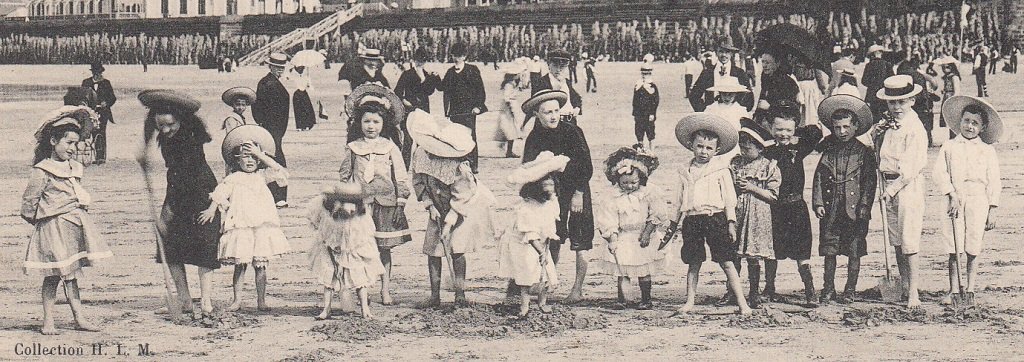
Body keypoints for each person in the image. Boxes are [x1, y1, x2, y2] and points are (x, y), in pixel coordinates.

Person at [23, 106, 112, 335]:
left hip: (73, 228)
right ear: (53, 140)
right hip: (53, 229)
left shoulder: (74, 168)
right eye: (68, 143)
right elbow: (29, 204)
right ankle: (49, 321)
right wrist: (44, 223)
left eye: (76, 143)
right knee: (53, 277)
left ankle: (79, 318)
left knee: (71, 276)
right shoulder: (42, 170)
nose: (73, 148)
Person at [137, 89, 221, 315]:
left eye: (170, 125)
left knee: (204, 246)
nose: (165, 130)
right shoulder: (163, 129)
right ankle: (184, 299)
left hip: (200, 192)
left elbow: (184, 179)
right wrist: (145, 152)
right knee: (170, 248)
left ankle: (205, 301)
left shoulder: (191, 137)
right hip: (176, 187)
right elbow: (149, 128)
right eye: (160, 126)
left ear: (181, 120)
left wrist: (167, 211)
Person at [662, 112, 751, 315]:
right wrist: (673, 223)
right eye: (699, 146)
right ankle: (689, 302)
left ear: (717, 150)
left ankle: (742, 303)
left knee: (726, 261)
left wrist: (731, 222)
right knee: (694, 262)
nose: (703, 151)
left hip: (715, 218)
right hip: (692, 220)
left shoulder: (721, 170)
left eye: (709, 148)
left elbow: (730, 199)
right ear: (691, 145)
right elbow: (677, 201)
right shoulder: (684, 171)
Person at [408, 110, 496, 307]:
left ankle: (460, 294)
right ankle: (434, 296)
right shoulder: (421, 155)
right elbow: (418, 183)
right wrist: (429, 205)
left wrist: (450, 221)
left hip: (459, 212)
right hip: (436, 210)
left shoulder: (458, 167)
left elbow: (463, 195)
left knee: (456, 250)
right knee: (433, 251)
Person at [197, 126, 289, 312]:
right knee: (240, 265)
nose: (250, 160)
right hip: (241, 227)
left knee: (261, 266)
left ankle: (261, 301)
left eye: (253, 157)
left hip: (261, 227)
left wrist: (260, 154)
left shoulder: (262, 176)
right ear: (237, 159)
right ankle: (237, 300)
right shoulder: (234, 178)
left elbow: (281, 173)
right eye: (245, 156)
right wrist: (211, 209)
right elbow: (219, 193)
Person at [521, 89, 594, 303]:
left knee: (581, 240)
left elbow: (586, 166)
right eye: (547, 112)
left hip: (577, 189)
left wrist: (579, 193)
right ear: (537, 114)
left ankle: (577, 289)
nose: (553, 116)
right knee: (552, 237)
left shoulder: (573, 131)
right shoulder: (534, 137)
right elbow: (529, 169)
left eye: (555, 111)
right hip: (551, 195)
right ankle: (548, 283)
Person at [340, 95, 412, 306]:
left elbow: (400, 177)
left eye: (376, 122)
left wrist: (400, 203)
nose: (371, 126)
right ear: (359, 123)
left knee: (383, 248)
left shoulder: (390, 148)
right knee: (359, 248)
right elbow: (344, 176)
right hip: (361, 206)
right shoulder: (353, 148)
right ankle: (364, 290)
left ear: (383, 123)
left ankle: (385, 289)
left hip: (385, 204)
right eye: (366, 121)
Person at [934, 95, 1002, 305]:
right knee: (954, 247)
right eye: (966, 121)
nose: (969, 126)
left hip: (978, 200)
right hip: (954, 199)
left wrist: (992, 208)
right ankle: (954, 290)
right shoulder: (949, 147)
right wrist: (951, 193)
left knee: (973, 246)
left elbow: (994, 181)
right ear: (959, 122)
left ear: (982, 128)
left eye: (975, 123)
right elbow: (939, 173)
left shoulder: (987, 150)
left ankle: (970, 289)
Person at [871, 75, 929, 308]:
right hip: (887, 183)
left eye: (901, 102)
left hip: (907, 187)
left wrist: (892, 190)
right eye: (892, 102)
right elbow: (875, 148)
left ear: (912, 101)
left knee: (909, 240)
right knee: (895, 239)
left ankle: (913, 292)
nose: (896, 107)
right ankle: (903, 285)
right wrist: (876, 134)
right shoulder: (888, 125)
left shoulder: (915, 128)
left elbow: (912, 167)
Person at [813, 95, 877, 304]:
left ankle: (850, 290)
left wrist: (865, 206)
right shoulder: (828, 149)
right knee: (830, 249)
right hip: (832, 207)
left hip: (855, 208)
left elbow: (869, 182)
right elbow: (819, 176)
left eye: (847, 127)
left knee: (854, 250)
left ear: (856, 126)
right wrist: (819, 202)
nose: (842, 132)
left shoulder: (863, 152)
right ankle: (828, 288)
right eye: (837, 127)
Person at [763, 105, 822, 307]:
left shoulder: (799, 148)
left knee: (802, 250)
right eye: (778, 129)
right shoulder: (766, 150)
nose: (783, 134)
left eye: (788, 130)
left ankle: (809, 291)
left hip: (797, 206)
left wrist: (798, 132)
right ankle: (769, 287)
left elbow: (816, 133)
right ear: (771, 128)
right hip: (774, 206)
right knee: (772, 249)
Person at [594, 146, 666, 310]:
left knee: (643, 268)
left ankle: (646, 299)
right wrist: (612, 239)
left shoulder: (648, 193)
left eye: (634, 182)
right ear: (617, 181)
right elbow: (608, 219)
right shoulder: (611, 196)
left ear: (640, 179)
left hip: (642, 235)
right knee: (622, 269)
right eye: (625, 183)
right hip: (623, 235)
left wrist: (647, 233)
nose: (629, 186)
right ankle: (623, 299)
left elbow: (657, 214)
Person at [498, 152, 566, 318]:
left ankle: (542, 302)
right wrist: (541, 252)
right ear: (535, 190)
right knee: (527, 275)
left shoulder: (550, 202)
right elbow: (531, 234)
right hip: (524, 245)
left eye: (552, 186)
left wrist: (548, 237)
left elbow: (551, 220)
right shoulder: (526, 208)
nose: (550, 190)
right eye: (545, 187)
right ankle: (524, 306)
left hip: (541, 243)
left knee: (545, 272)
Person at [307, 183, 385, 319]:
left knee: (359, 275)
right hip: (331, 246)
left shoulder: (361, 215)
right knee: (329, 275)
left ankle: (365, 309)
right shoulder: (328, 210)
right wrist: (332, 247)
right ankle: (326, 308)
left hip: (354, 248)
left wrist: (350, 248)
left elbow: (363, 235)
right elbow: (322, 229)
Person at [730, 120, 781, 308]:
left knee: (754, 255)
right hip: (738, 211)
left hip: (758, 214)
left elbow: (773, 195)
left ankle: (754, 293)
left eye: (748, 149)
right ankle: (732, 292)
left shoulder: (769, 166)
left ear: (760, 148)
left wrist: (752, 188)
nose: (744, 152)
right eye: (742, 148)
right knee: (733, 253)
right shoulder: (735, 163)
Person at [437, 42, 487, 174]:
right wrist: (435, 76)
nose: (456, 58)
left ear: (464, 56)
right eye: (454, 55)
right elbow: (442, 88)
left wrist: (478, 107)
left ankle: (473, 163)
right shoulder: (450, 72)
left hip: (469, 111)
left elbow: (480, 91)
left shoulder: (472, 70)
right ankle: (459, 162)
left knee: (470, 136)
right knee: (456, 136)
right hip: (455, 111)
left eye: (459, 55)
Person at [252, 52, 291, 208]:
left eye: (282, 68)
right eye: (277, 68)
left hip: (275, 129)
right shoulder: (267, 84)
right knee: (274, 161)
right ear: (270, 67)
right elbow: (257, 108)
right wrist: (265, 125)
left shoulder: (270, 82)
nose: (280, 70)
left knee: (273, 160)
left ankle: (275, 195)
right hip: (271, 129)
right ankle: (277, 196)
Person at [690, 44, 754, 113]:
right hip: (712, 116)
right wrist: (704, 111)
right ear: (716, 52)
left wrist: (739, 111)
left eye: (727, 52)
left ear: (731, 54)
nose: (724, 55)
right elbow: (694, 95)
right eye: (721, 51)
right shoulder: (707, 73)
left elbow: (749, 98)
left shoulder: (739, 73)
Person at [531, 49, 583, 125]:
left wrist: (577, 108)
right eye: (555, 66)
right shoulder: (540, 82)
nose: (558, 70)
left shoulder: (567, 82)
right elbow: (534, 105)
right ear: (548, 65)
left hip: (569, 122)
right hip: (550, 124)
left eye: (562, 67)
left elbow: (576, 98)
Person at [81, 62, 116, 165]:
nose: (98, 74)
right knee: (91, 132)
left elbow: (113, 98)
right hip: (90, 112)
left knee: (101, 133)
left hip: (103, 113)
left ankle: (100, 157)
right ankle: (89, 155)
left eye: (99, 73)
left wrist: (107, 103)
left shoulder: (106, 83)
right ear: (93, 73)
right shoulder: (86, 83)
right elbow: (82, 96)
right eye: (96, 72)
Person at [754, 49, 800, 125]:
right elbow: (762, 100)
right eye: (763, 61)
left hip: (781, 124)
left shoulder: (787, 83)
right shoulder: (766, 77)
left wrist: (770, 107)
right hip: (766, 121)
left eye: (768, 62)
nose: (764, 65)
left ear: (777, 63)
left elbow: (791, 109)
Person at [497, 62, 529, 158]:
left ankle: (506, 148)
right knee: (512, 130)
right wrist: (511, 109)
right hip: (509, 108)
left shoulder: (512, 84)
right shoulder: (509, 85)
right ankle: (508, 151)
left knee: (511, 130)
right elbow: (507, 98)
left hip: (511, 107)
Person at [863, 45, 895, 119]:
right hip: (884, 94)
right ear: (880, 53)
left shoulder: (868, 65)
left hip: (872, 95)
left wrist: (872, 84)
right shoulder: (887, 64)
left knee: (874, 116)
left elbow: (864, 81)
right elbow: (892, 79)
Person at [632, 64, 660, 150]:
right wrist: (635, 113)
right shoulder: (638, 85)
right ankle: (641, 149)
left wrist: (652, 113)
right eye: (643, 74)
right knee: (639, 131)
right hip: (639, 114)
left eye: (647, 74)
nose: (644, 76)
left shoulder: (652, 86)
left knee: (650, 132)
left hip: (648, 114)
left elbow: (655, 101)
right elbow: (635, 100)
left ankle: (652, 151)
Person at [936, 56, 962, 141]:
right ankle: (951, 138)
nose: (944, 69)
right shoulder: (947, 77)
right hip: (947, 97)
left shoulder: (954, 77)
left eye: (946, 67)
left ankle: (954, 137)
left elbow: (957, 90)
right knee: (947, 118)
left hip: (951, 98)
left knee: (952, 118)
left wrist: (953, 100)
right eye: (943, 68)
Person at [291, 65, 322, 131]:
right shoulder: (294, 75)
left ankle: (307, 125)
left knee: (306, 110)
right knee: (298, 110)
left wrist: (309, 84)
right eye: (299, 69)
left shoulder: (306, 76)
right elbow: (292, 82)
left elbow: (310, 87)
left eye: (302, 69)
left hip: (304, 94)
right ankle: (299, 126)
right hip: (297, 94)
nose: (301, 70)